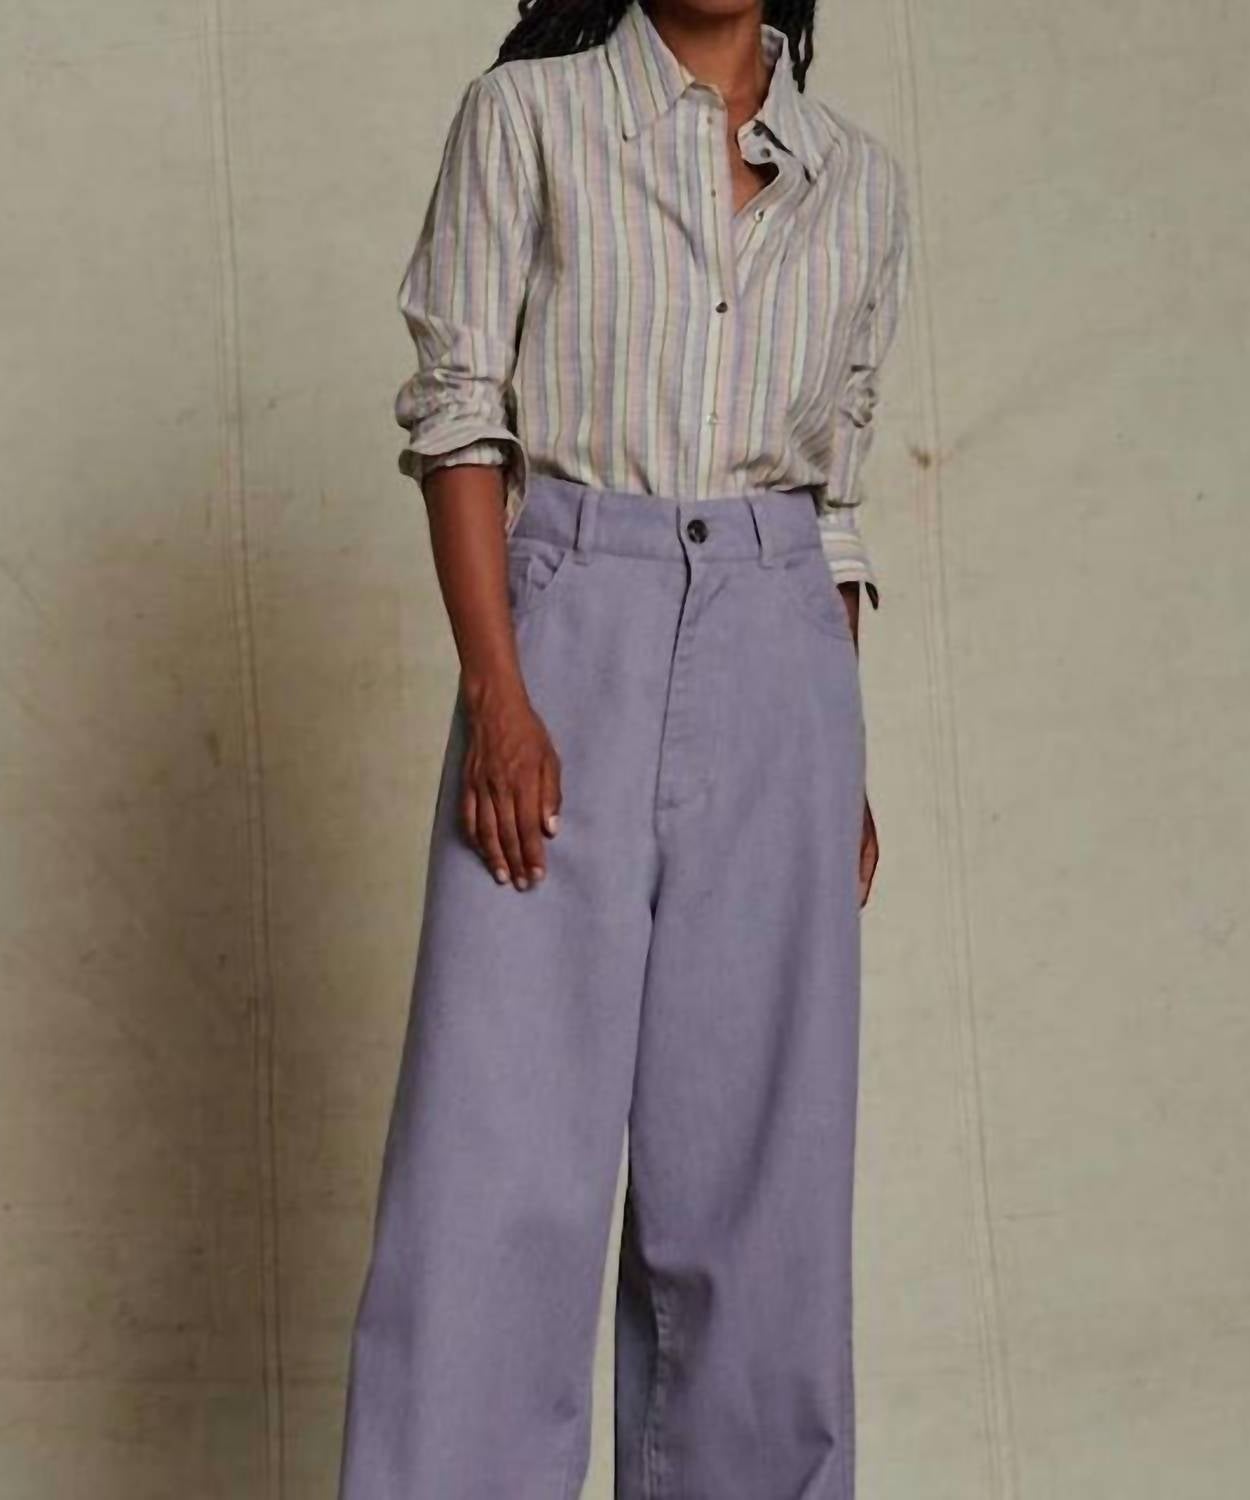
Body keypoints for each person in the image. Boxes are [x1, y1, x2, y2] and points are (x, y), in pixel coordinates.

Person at [339, 1, 912, 1494]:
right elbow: (460, 415)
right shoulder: (527, 119)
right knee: (495, 1173)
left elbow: (834, 494)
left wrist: (836, 755)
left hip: (783, 655)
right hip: (570, 627)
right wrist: (500, 693)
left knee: (763, 1199)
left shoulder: (855, 180)